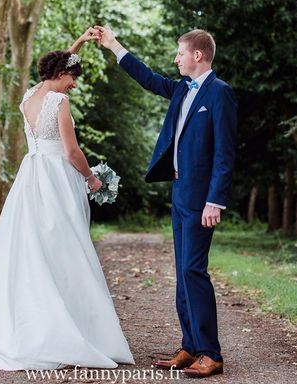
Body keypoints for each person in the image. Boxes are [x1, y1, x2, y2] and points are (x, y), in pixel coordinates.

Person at [0, 29, 134, 371]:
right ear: (61, 75)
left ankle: (41, 324)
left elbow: (63, 63)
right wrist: (91, 178)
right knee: (68, 248)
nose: (74, 85)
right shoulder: (59, 102)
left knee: (36, 249)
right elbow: (71, 150)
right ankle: (73, 330)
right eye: (73, 79)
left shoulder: (28, 96)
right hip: (56, 178)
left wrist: (79, 42)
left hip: (30, 176)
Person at [94, 25, 237, 378]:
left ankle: (211, 353)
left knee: (193, 270)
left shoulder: (220, 94)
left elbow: (224, 153)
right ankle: (189, 347)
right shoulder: (180, 90)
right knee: (182, 273)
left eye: (180, 53)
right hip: (180, 192)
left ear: (197, 55)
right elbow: (147, 78)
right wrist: (114, 45)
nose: (176, 59)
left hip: (202, 198)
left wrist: (215, 201)